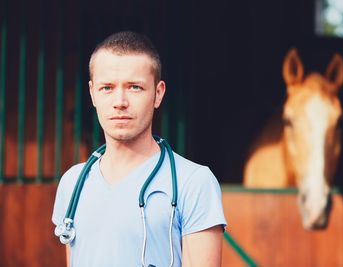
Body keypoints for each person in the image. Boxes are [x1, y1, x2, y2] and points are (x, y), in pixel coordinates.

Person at [52, 31, 227, 267]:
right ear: (92, 93)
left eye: (134, 87)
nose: (120, 101)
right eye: (107, 88)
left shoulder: (194, 183)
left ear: (158, 93)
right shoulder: (73, 182)